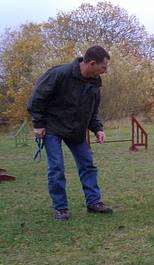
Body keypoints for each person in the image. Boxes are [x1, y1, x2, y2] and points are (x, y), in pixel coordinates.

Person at [28, 46, 113, 221]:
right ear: (91, 63)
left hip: (76, 131)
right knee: (57, 168)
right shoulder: (60, 74)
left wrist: (97, 129)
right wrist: (38, 123)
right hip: (53, 127)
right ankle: (60, 208)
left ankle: (94, 202)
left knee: (88, 165)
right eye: (103, 67)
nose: (105, 71)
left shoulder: (94, 84)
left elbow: (92, 111)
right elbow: (37, 97)